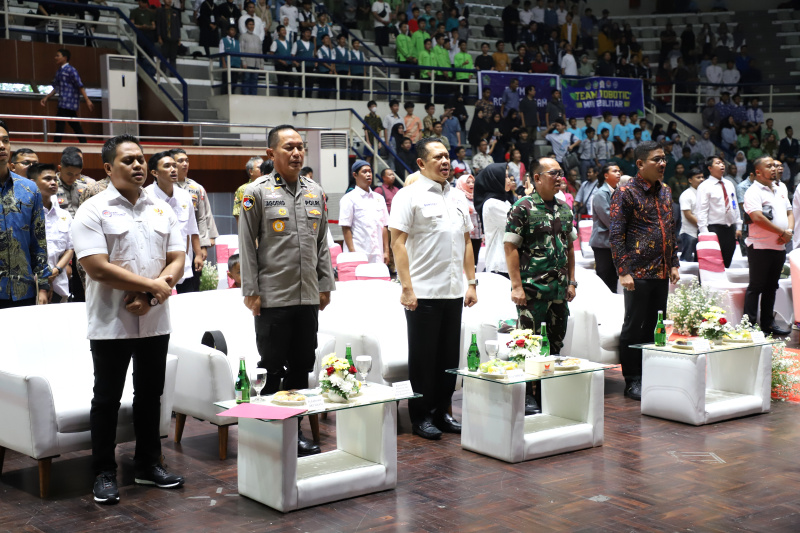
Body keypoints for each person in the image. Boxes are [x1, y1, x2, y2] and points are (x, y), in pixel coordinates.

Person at [72, 134, 186, 505]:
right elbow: (97, 268)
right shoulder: (92, 210)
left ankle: (148, 464)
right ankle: (104, 472)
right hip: (111, 321)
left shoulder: (162, 207)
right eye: (128, 160)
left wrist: (152, 294)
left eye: (140, 159)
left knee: (150, 395)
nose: (138, 165)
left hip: (154, 318)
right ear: (108, 168)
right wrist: (151, 286)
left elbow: (177, 259)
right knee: (106, 398)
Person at [238, 125, 335, 456]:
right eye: (288, 148)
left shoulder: (315, 192)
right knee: (272, 366)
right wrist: (250, 291)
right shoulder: (255, 193)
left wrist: (326, 284)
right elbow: (246, 248)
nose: (296, 153)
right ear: (271, 154)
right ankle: (270, 435)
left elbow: (322, 243)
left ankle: (292, 432)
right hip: (273, 296)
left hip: (307, 294)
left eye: (300, 147)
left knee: (302, 366)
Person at [389, 137, 478, 440]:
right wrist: (406, 288)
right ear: (421, 163)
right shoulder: (407, 195)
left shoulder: (458, 197)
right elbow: (397, 243)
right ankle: (421, 416)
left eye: (447, 156)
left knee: (448, 360)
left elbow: (467, 241)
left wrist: (472, 282)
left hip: (453, 291)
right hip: (423, 293)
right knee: (424, 359)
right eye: (437, 156)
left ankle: (443, 412)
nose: (444, 162)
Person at [610, 141, 680, 401]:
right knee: (634, 326)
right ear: (640, 164)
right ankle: (632, 379)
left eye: (664, 158)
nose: (663, 164)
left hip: (661, 271)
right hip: (637, 272)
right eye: (656, 159)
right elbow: (616, 235)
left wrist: (673, 262)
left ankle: (651, 373)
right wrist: (623, 271)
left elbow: (670, 229)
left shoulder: (666, 191)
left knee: (655, 325)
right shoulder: (626, 192)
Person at [504, 157, 576, 357]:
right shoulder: (522, 207)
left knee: (555, 346)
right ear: (537, 178)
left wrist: (571, 282)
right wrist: (517, 287)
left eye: (560, 173)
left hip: (560, 292)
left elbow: (570, 248)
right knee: (528, 347)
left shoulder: (564, 209)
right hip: (532, 291)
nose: (559, 178)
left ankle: (549, 388)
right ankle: (530, 389)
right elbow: (510, 248)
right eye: (553, 173)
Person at [743, 156, 792, 336]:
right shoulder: (753, 191)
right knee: (756, 286)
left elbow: (789, 212)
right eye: (769, 166)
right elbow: (757, 218)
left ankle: (767, 325)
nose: (774, 168)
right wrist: (782, 232)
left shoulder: (779, 189)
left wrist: (789, 232)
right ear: (758, 172)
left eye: (775, 165)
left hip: (779, 246)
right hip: (760, 246)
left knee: (772, 287)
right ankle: (747, 327)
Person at [145, 151, 203, 287]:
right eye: (167, 166)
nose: (173, 169)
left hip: (184, 265)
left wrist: (198, 254)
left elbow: (192, 228)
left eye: (174, 166)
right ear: (154, 173)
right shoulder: (145, 196)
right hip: (156, 267)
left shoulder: (184, 196)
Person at [171, 149, 219, 291]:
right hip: (170, 243)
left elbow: (202, 217)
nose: (185, 164)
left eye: (187, 160)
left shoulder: (195, 188)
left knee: (192, 285)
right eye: (180, 161)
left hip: (191, 244)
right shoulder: (164, 187)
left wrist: (203, 245)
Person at [29, 163, 73, 303]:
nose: (53, 182)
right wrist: (42, 281)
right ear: (32, 183)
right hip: (32, 283)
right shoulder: (26, 213)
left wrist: (57, 270)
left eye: (55, 179)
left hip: (59, 282)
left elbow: (70, 249)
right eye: (47, 179)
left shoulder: (64, 215)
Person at [339, 160, 391, 264]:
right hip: (359, 253)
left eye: (370, 171)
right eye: (364, 172)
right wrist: (353, 253)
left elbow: (384, 226)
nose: (368, 174)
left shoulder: (379, 198)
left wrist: (386, 251)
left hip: (378, 253)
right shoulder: (349, 198)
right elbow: (346, 228)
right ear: (355, 175)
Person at [695, 155, 742, 268]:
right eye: (718, 163)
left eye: (722, 163)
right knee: (711, 264)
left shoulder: (729, 184)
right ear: (710, 168)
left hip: (729, 228)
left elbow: (734, 205)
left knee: (726, 261)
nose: (722, 165)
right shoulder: (704, 186)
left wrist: (738, 226)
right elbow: (701, 211)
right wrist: (705, 233)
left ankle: (723, 284)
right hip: (713, 228)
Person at [40, 49, 94, 143]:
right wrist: (47, 97)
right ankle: (83, 141)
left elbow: (79, 85)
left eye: (58, 55)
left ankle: (57, 143)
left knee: (61, 122)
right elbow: (56, 88)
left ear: (65, 58)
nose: (55, 57)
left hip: (70, 102)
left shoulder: (71, 70)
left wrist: (87, 100)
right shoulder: (59, 71)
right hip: (63, 102)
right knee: (73, 124)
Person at [474, 163, 515, 276]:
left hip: (509, 262)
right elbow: (517, 225)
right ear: (495, 180)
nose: (509, 180)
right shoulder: (492, 204)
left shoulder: (503, 201)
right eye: (505, 177)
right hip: (500, 264)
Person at [590, 163, 622, 293]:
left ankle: (611, 307)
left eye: (619, 171)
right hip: (603, 243)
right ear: (606, 175)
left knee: (614, 277)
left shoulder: (619, 190)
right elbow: (609, 218)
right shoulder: (600, 193)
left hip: (614, 241)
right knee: (604, 277)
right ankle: (601, 308)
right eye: (615, 171)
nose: (619, 173)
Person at [679, 166, 705, 262]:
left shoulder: (704, 193)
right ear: (690, 180)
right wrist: (702, 225)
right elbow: (688, 215)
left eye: (702, 177)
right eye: (698, 177)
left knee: (701, 260)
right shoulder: (686, 194)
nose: (702, 179)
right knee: (687, 259)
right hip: (689, 232)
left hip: (702, 231)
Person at [456, 175, 482, 263]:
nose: (471, 184)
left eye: (473, 182)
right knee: (465, 260)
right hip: (465, 235)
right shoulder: (458, 198)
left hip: (477, 234)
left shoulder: (477, 197)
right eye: (468, 182)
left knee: (475, 260)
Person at [234, 157, 264, 222]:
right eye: (259, 167)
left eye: (264, 166)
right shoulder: (243, 189)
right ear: (251, 171)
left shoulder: (270, 186)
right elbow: (238, 214)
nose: (263, 169)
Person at [240, 18, 264, 95]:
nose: (252, 26)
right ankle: (246, 97)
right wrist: (243, 62)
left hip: (256, 63)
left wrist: (261, 64)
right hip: (247, 63)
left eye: (253, 24)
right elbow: (241, 50)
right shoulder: (243, 36)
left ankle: (253, 97)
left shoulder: (257, 37)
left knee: (254, 81)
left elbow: (260, 51)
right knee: (246, 80)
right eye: (250, 24)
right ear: (246, 26)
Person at [155, 0, 182, 67]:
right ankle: (162, 74)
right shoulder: (160, 11)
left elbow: (177, 25)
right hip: (165, 37)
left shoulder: (175, 11)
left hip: (174, 37)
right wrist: (159, 36)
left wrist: (179, 37)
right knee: (164, 57)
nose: (169, 1)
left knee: (173, 58)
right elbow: (158, 24)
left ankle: (173, 75)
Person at [270, 25, 293, 97]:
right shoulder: (275, 42)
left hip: (289, 64)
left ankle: (291, 97)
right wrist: (281, 61)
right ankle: (280, 96)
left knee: (291, 82)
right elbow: (272, 54)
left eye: (285, 30)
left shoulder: (288, 42)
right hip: (279, 65)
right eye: (282, 30)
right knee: (281, 82)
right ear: (278, 32)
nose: (284, 31)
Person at [219, 25, 242, 95]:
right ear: (227, 31)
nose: (233, 32)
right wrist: (224, 63)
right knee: (226, 83)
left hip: (236, 65)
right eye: (231, 30)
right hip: (227, 65)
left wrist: (240, 65)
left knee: (234, 83)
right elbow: (221, 52)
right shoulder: (223, 40)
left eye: (234, 30)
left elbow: (240, 54)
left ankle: (231, 96)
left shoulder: (238, 42)